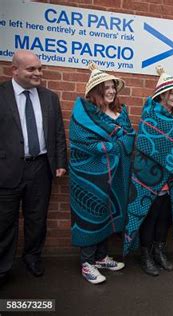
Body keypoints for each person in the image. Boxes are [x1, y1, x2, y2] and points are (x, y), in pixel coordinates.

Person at [0, 50, 67, 284]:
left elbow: (58, 131)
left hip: (41, 168)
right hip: (6, 170)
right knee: (5, 222)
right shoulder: (2, 95)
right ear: (14, 70)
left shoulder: (49, 97)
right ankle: (2, 268)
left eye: (40, 68)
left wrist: (59, 163)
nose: (38, 73)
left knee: (36, 218)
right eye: (31, 69)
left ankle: (32, 257)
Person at [69, 62, 135, 284]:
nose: (111, 91)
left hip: (117, 174)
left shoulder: (121, 111)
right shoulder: (84, 112)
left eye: (113, 86)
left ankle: (100, 257)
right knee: (92, 213)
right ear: (95, 91)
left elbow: (129, 135)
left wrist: (117, 144)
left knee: (110, 211)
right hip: (91, 174)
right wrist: (112, 146)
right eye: (105, 87)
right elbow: (81, 141)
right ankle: (86, 263)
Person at [124, 66, 173, 276]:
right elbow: (145, 142)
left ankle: (159, 251)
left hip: (172, 179)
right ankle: (146, 256)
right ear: (163, 94)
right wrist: (171, 158)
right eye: (172, 93)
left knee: (164, 216)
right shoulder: (150, 114)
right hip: (151, 176)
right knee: (149, 217)